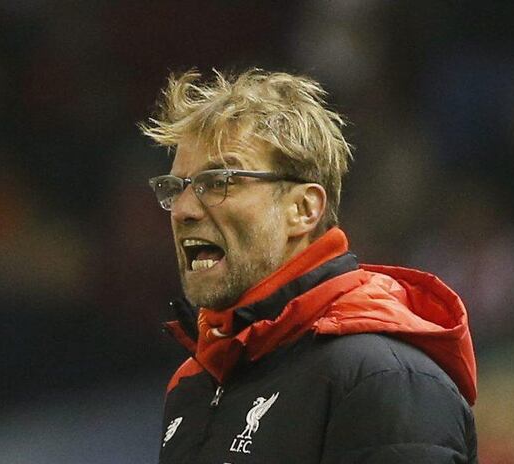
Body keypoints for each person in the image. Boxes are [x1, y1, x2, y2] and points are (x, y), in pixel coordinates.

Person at [140, 69, 477, 463]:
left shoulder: (381, 376)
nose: (182, 210)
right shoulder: (193, 385)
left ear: (302, 209)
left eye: (219, 181)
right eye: (175, 188)